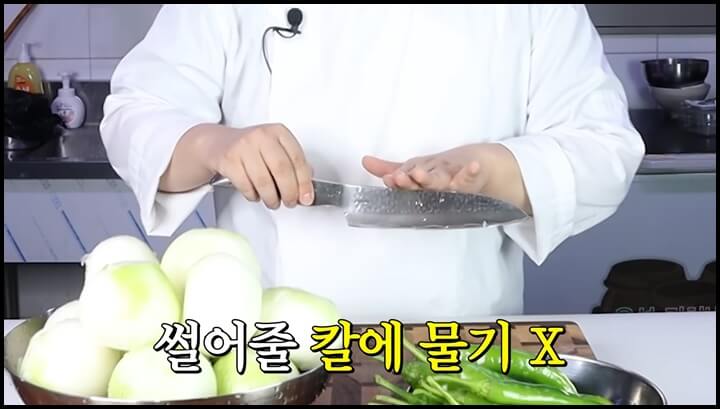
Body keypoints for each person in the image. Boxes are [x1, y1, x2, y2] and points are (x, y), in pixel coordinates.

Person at [100, 4, 645, 324]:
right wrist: (213, 145)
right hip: (270, 344)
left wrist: (497, 169)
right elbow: (137, 113)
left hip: (460, 342)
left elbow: (605, 147)